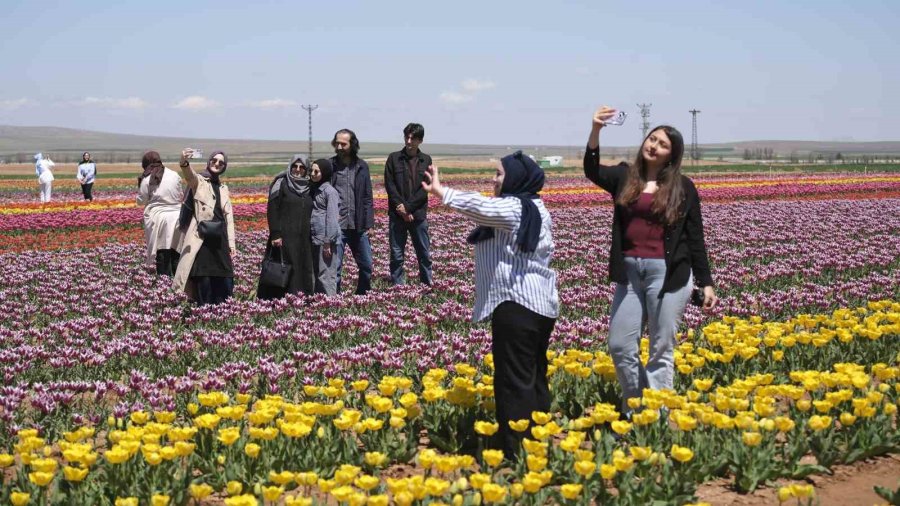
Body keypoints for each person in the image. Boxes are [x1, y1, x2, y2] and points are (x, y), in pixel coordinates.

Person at [422, 151, 559, 460]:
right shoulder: (533, 206)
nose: (494, 180)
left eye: (499, 175)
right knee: (532, 373)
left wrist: (442, 192)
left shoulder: (515, 208)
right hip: (538, 304)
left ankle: (516, 450)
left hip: (517, 304)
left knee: (514, 379)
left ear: (516, 178)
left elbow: (481, 207)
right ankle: (537, 438)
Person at [584, 106, 717, 414]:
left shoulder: (683, 188)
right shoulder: (623, 176)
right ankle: (637, 407)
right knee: (620, 346)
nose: (653, 145)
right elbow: (592, 171)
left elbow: (695, 238)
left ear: (671, 155)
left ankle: (654, 421)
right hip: (630, 274)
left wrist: (706, 282)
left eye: (662, 144)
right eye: (651, 138)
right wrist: (595, 130)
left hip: (668, 276)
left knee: (660, 349)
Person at [173, 149, 236, 305]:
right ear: (209, 162)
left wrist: (232, 244)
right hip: (201, 238)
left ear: (224, 166)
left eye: (221, 163)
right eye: (214, 160)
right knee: (204, 279)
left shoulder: (223, 189)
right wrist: (184, 162)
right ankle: (203, 313)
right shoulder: (199, 182)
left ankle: (222, 312)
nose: (217, 164)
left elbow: (229, 218)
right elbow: (189, 175)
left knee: (225, 278)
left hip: (220, 240)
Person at [257, 155, 316, 299]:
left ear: (306, 169)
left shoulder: (310, 186)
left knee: (303, 267)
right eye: (295, 166)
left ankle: (302, 299)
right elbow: (272, 209)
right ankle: (280, 301)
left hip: (304, 237)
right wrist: (276, 234)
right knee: (285, 267)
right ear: (290, 167)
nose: (297, 170)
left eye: (302, 167)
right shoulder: (281, 183)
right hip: (285, 236)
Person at [384, 123, 433, 286]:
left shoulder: (426, 160)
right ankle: (399, 288)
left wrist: (409, 208)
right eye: (407, 136)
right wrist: (402, 209)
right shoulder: (393, 158)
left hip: (418, 215)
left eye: (413, 138)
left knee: (424, 254)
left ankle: (427, 286)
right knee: (397, 255)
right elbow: (390, 186)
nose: (409, 140)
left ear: (420, 140)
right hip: (397, 215)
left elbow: (425, 188)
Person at [329, 129, 374, 295]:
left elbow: (367, 197)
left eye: (343, 144)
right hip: (337, 225)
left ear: (352, 144)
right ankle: (334, 298)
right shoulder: (330, 165)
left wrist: (369, 223)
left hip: (358, 224)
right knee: (335, 267)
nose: (339, 147)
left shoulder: (362, 166)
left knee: (367, 265)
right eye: (337, 143)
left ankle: (362, 295)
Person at [137, 151, 184, 276]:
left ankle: (164, 279)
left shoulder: (147, 178)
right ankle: (177, 280)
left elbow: (141, 201)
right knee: (176, 249)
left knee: (161, 249)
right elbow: (180, 195)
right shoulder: (174, 175)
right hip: (177, 216)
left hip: (158, 217)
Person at [309, 158, 340, 295]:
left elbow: (332, 218)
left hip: (325, 240)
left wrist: (328, 241)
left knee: (326, 275)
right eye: (312, 171)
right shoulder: (315, 189)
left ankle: (330, 304)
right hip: (315, 237)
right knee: (316, 273)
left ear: (325, 172)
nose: (313, 174)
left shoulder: (330, 192)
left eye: (317, 171)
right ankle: (319, 303)